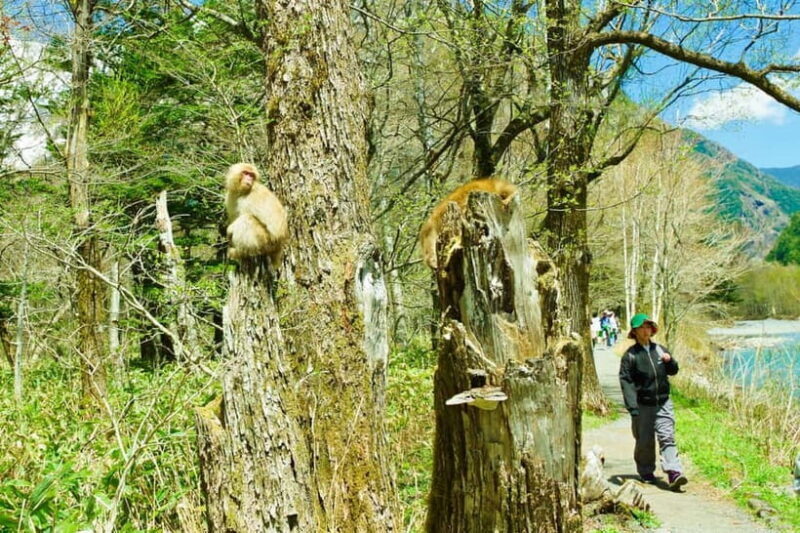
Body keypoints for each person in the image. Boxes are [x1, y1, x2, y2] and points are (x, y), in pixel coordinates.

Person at [619, 313, 688, 490]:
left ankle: (674, 473)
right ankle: (646, 471)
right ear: (635, 331)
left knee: (667, 437)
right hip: (643, 405)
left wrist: (669, 361)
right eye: (642, 327)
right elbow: (626, 382)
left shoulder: (660, 350)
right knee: (645, 440)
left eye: (649, 327)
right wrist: (633, 408)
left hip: (663, 401)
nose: (646, 330)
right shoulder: (630, 356)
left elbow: (673, 371)